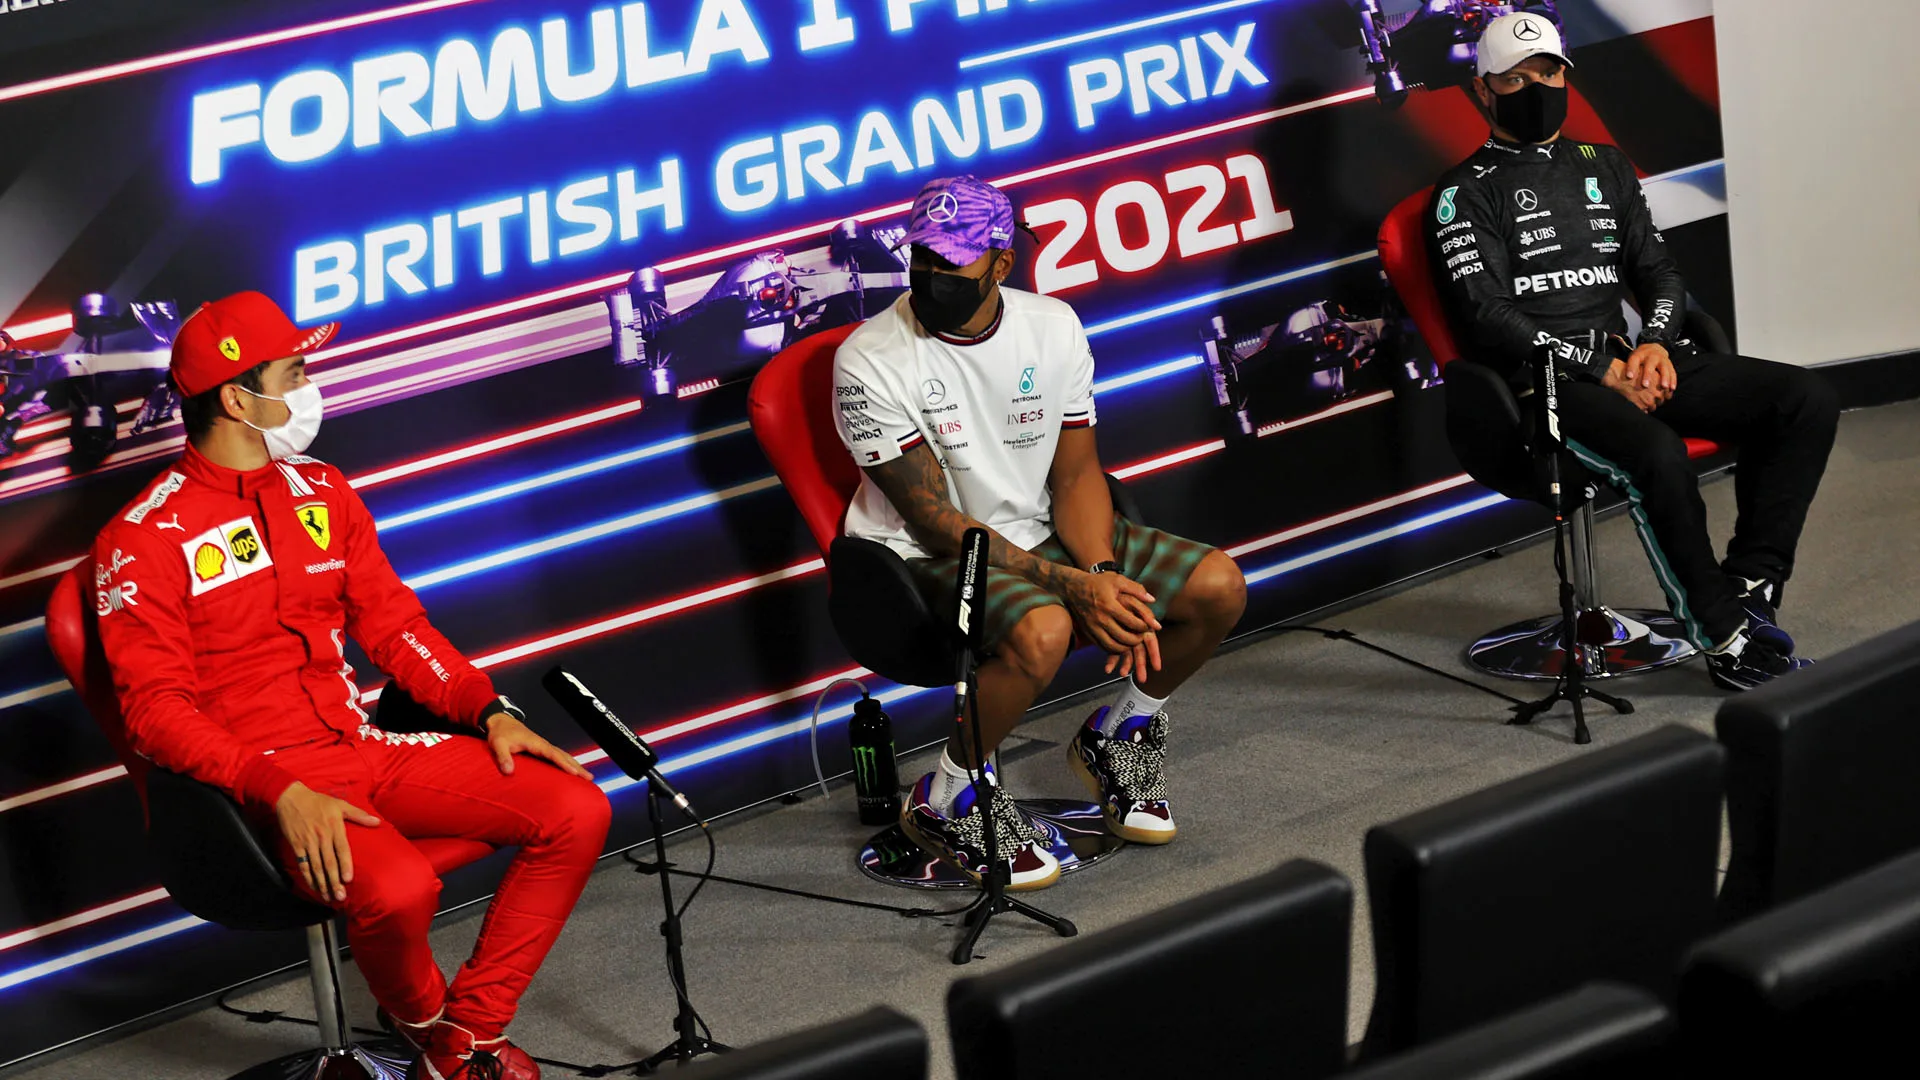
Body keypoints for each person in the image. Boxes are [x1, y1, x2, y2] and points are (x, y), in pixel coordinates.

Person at [92, 292, 609, 1080]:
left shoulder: (323, 490)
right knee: (399, 889)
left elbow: (394, 626)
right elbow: (153, 714)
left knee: (573, 805)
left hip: (360, 746)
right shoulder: (140, 538)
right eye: (295, 370)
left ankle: (461, 1041)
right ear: (238, 396)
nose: (310, 385)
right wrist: (277, 790)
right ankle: (429, 1026)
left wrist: (489, 709)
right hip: (258, 790)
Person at [832, 176, 1248, 889]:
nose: (931, 277)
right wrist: (1071, 587)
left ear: (1000, 263)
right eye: (921, 258)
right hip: (922, 557)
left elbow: (1077, 477)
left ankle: (1119, 737)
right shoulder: (869, 358)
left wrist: (1102, 571)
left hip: (1038, 531)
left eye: (951, 262)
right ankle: (945, 796)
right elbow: (939, 525)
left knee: (1218, 587)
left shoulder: (1052, 326)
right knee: (1046, 629)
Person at [1426, 12, 1838, 690]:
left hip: (1632, 360)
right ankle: (1726, 640)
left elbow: (1659, 274)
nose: (1536, 86)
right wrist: (1600, 369)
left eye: (1548, 72)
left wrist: (1653, 345)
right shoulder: (1461, 194)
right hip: (1549, 387)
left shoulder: (1605, 165)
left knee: (1805, 399)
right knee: (1657, 454)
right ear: (1481, 91)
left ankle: (1750, 585)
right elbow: (1488, 316)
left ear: (1566, 75)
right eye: (1514, 78)